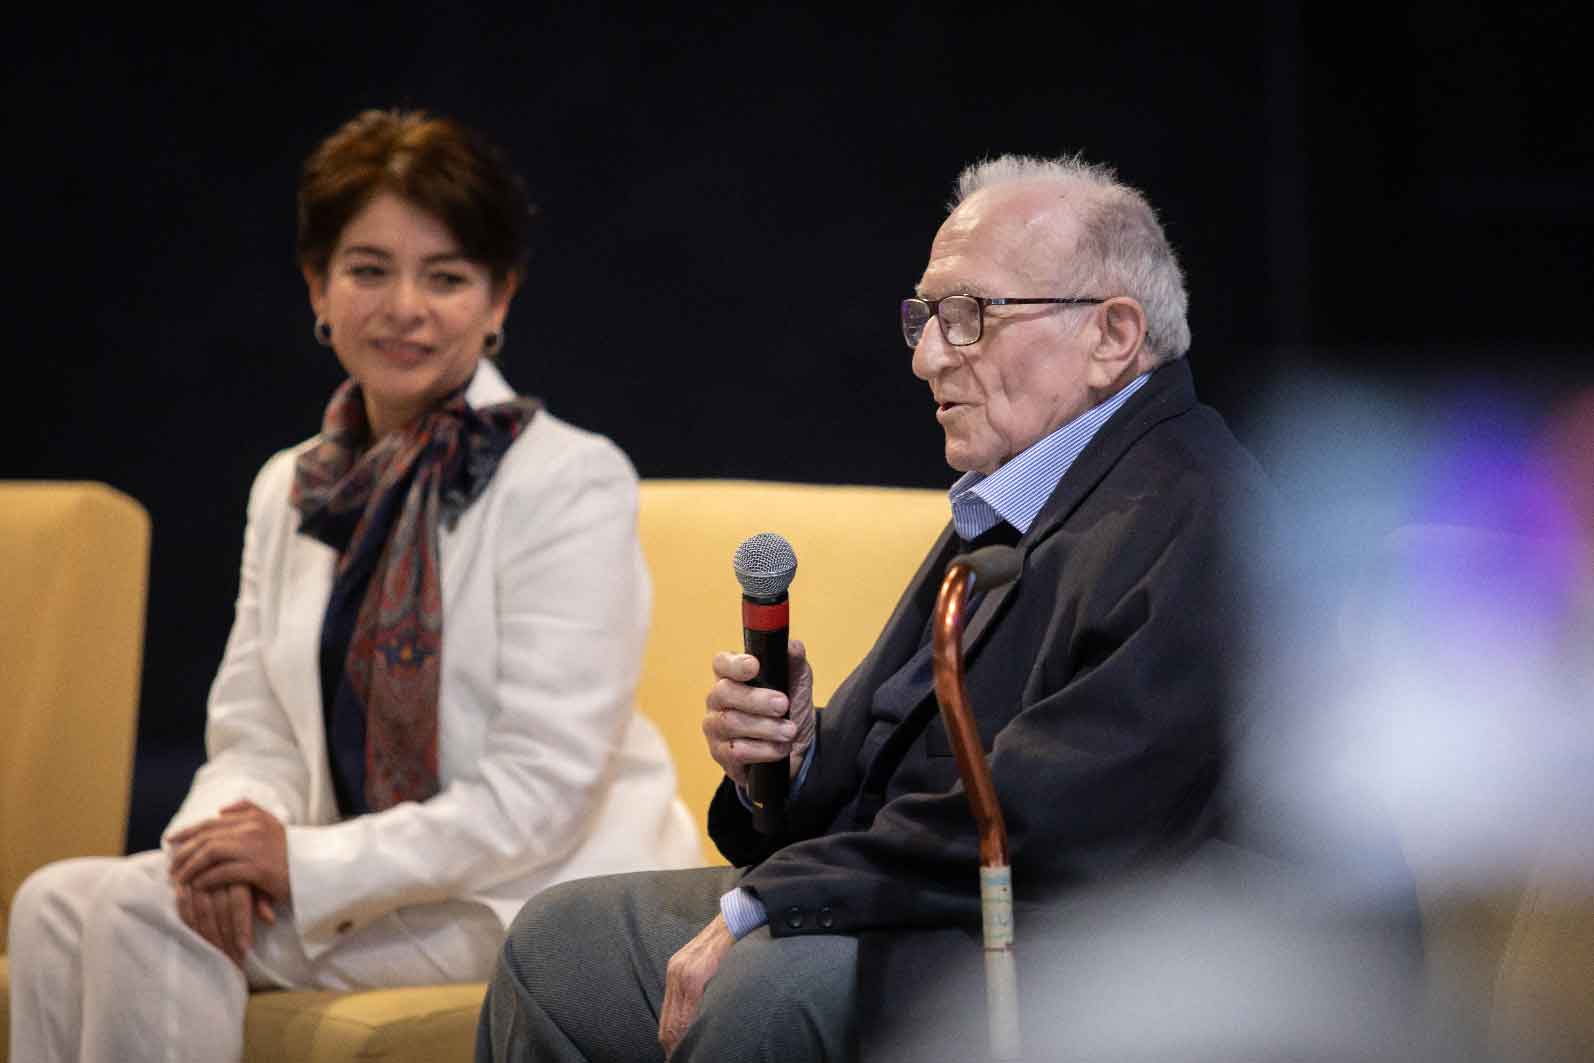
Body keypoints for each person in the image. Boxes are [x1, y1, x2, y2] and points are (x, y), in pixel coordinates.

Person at [476, 153, 1282, 1062]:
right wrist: (787, 753)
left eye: (970, 316)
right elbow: (868, 772)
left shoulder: (1201, 510)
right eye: (927, 316)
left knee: (766, 993)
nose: (926, 355)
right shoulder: (1016, 493)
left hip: (1061, 940)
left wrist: (771, 899)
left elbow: (1053, 818)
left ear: (1112, 334)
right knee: (555, 947)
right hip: (912, 897)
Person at [7, 108, 700, 1063]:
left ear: (500, 299)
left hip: (534, 888)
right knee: (51, 900)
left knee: (136, 912)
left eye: (446, 276)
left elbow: (541, 793)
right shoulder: (293, 484)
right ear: (318, 288)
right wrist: (221, 848)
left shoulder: (570, 479)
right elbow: (253, 729)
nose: (403, 306)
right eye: (369, 269)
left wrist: (296, 861)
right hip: (372, 878)